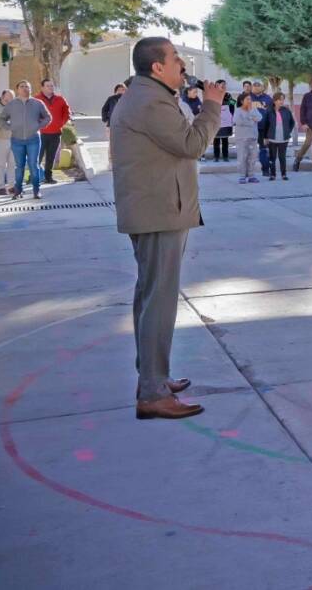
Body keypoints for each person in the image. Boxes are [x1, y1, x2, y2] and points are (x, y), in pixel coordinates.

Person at [111, 38, 222, 420]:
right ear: (157, 67)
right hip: (159, 211)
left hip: (156, 208)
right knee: (159, 300)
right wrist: (212, 106)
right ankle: (153, 391)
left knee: (150, 295)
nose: (183, 65)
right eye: (176, 59)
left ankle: (153, 377)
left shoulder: (149, 95)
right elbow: (191, 144)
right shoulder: (150, 100)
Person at [6, 80, 51, 200]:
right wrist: (10, 127)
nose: (25, 88)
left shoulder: (38, 103)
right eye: (22, 86)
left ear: (30, 89)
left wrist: (38, 126)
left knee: (33, 165)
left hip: (33, 139)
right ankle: (18, 191)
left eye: (27, 87)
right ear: (17, 89)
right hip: (16, 140)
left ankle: (36, 191)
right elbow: (1, 119)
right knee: (19, 166)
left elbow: (48, 117)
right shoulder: (11, 104)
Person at [35, 79, 71, 184]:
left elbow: (67, 113)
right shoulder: (36, 100)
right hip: (40, 133)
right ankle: (33, 177)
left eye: (52, 86)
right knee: (37, 157)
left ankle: (48, 177)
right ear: (42, 87)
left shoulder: (60, 99)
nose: (50, 88)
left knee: (51, 157)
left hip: (56, 133)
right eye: (48, 86)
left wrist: (61, 123)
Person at [263, 92, 294, 182]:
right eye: (279, 99)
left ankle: (284, 174)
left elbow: (292, 123)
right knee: (272, 158)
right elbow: (266, 125)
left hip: (283, 139)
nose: (281, 101)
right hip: (272, 138)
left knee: (282, 157)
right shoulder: (269, 111)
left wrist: (288, 132)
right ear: (274, 100)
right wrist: (265, 137)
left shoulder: (286, 110)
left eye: (282, 99)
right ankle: (272, 175)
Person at [233, 95, 261, 184]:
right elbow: (238, 121)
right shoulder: (238, 110)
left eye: (250, 99)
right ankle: (242, 176)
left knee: (252, 157)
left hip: (253, 137)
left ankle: (251, 176)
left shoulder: (253, 109)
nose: (249, 101)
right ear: (242, 101)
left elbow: (260, 118)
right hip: (242, 138)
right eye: (247, 99)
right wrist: (252, 120)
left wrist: (250, 115)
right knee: (242, 157)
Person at [212, 84, 235, 163]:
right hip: (216, 121)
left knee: (225, 140)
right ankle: (216, 157)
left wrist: (230, 117)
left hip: (226, 122)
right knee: (216, 140)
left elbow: (233, 104)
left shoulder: (228, 95)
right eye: (220, 86)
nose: (222, 88)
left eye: (223, 86)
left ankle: (225, 156)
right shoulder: (213, 95)